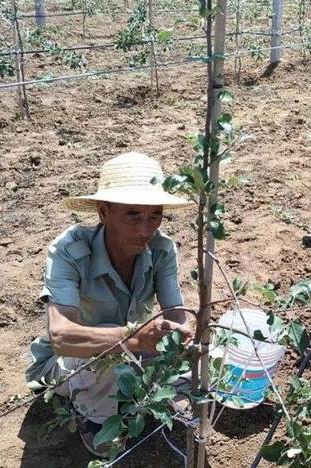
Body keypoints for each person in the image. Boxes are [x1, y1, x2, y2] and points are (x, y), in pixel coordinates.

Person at [24, 152, 193, 456]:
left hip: (133, 349)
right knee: (112, 358)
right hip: (71, 360)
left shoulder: (162, 249)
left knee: (209, 352)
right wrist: (134, 338)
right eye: (132, 215)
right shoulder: (68, 251)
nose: (145, 229)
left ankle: (134, 386)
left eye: (155, 215)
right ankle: (94, 418)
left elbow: (177, 313)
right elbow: (62, 337)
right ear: (103, 212)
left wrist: (182, 332)